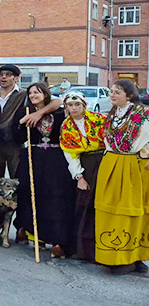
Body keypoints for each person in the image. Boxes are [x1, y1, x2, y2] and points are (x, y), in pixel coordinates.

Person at [12, 83, 74, 259]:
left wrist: (40, 113)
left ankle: (57, 241)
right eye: (30, 93)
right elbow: (17, 136)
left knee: (55, 198)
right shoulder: (24, 112)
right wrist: (21, 124)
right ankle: (33, 234)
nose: (33, 95)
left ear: (45, 94)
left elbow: (60, 101)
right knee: (32, 195)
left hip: (55, 158)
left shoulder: (58, 112)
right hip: (33, 157)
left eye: (37, 92)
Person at [94, 79, 149, 275]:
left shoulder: (142, 114)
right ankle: (113, 256)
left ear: (130, 95)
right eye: (111, 92)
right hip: (111, 164)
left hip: (132, 164)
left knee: (131, 211)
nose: (113, 95)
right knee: (109, 210)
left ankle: (133, 257)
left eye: (117, 92)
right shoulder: (112, 114)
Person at [0, 64, 62, 183]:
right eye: (1, 75)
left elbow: (58, 101)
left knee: (18, 178)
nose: (3, 77)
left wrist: (38, 113)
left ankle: (18, 202)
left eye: (8, 74)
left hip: (14, 144)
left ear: (16, 78)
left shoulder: (25, 94)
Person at [59, 91, 106, 261]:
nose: (74, 108)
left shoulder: (99, 119)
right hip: (85, 166)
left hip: (105, 161)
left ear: (84, 105)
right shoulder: (67, 127)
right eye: (70, 105)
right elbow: (71, 155)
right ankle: (84, 249)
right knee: (84, 205)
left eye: (77, 105)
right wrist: (79, 177)